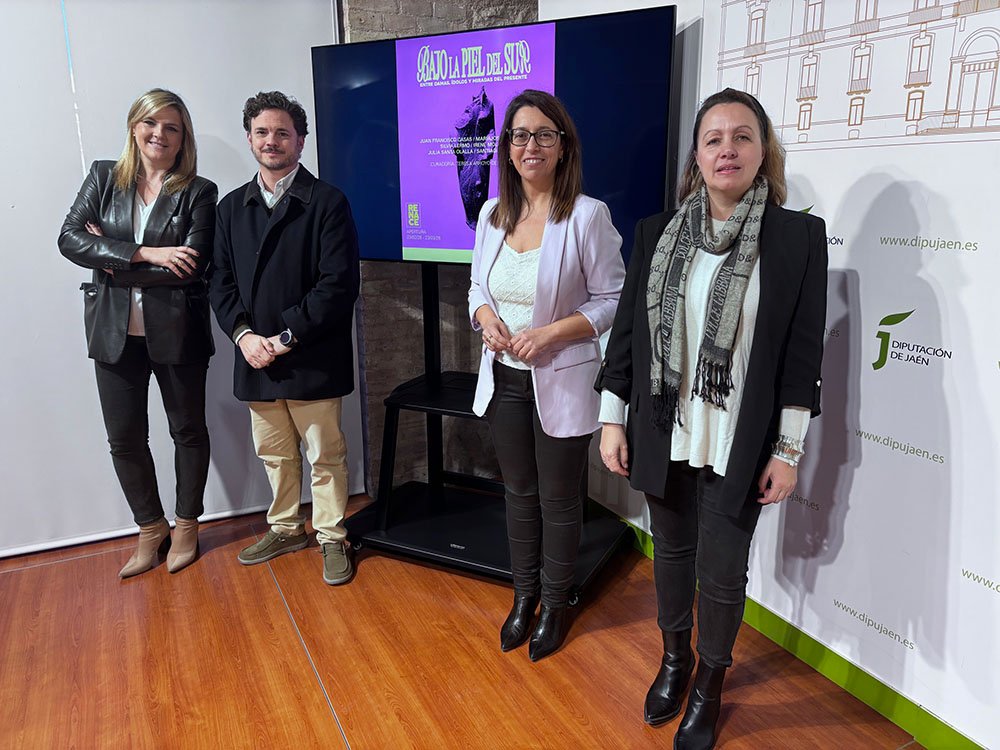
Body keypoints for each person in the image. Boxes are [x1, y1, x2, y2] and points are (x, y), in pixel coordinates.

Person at [597, 88, 827, 749]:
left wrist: (788, 449)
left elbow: (801, 353)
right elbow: (629, 343)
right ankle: (673, 661)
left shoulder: (798, 238)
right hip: (666, 429)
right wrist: (613, 418)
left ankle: (709, 683)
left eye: (742, 136)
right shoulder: (654, 233)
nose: (727, 149)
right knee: (669, 555)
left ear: (764, 151)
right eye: (713, 138)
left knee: (723, 571)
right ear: (696, 157)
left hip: (739, 439)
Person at [469, 90, 625, 661]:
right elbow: (476, 289)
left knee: (560, 501)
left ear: (563, 146)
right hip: (504, 377)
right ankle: (524, 595)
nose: (529, 145)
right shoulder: (491, 213)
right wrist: (485, 317)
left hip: (560, 378)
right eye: (519, 135)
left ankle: (557, 603)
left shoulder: (587, 215)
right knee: (517, 495)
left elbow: (614, 298)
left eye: (542, 135)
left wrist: (553, 333)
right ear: (506, 148)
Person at [58, 89, 217, 578]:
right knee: (124, 438)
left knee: (186, 431)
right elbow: (68, 239)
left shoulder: (198, 190)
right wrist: (148, 254)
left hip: (178, 332)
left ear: (182, 135)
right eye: (151, 124)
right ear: (134, 127)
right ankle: (151, 529)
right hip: (114, 332)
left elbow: (192, 267)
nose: (160, 135)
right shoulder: (105, 177)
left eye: (172, 127)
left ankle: (187, 524)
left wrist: (108, 253)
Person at [210, 91, 360, 585]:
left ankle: (332, 535)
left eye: (282, 132)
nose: (271, 141)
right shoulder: (231, 207)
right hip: (255, 355)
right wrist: (244, 335)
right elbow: (220, 280)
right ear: (249, 138)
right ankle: (285, 527)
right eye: (261, 132)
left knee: (324, 453)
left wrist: (287, 335)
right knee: (274, 453)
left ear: (301, 139)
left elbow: (337, 284)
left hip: (309, 353)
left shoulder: (328, 202)